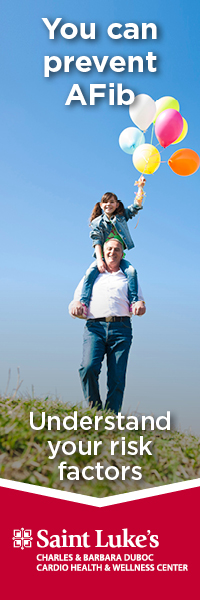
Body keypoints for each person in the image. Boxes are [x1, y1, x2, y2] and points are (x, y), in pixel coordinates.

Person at [69, 238, 146, 414]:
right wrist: (74, 305)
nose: (112, 252)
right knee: (88, 368)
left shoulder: (128, 277)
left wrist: (140, 306)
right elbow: (76, 298)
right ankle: (95, 411)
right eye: (109, 249)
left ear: (122, 254)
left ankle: (111, 417)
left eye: (117, 249)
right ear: (103, 252)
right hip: (94, 328)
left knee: (117, 377)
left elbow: (139, 300)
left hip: (121, 329)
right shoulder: (92, 275)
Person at [80, 176, 146, 317]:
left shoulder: (121, 217)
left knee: (132, 271)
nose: (108, 204)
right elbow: (96, 241)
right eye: (105, 202)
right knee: (90, 273)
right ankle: (84, 302)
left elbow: (136, 206)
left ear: (117, 205)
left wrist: (140, 187)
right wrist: (99, 260)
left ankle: (133, 301)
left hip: (118, 257)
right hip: (104, 256)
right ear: (101, 205)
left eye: (112, 202)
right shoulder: (97, 222)